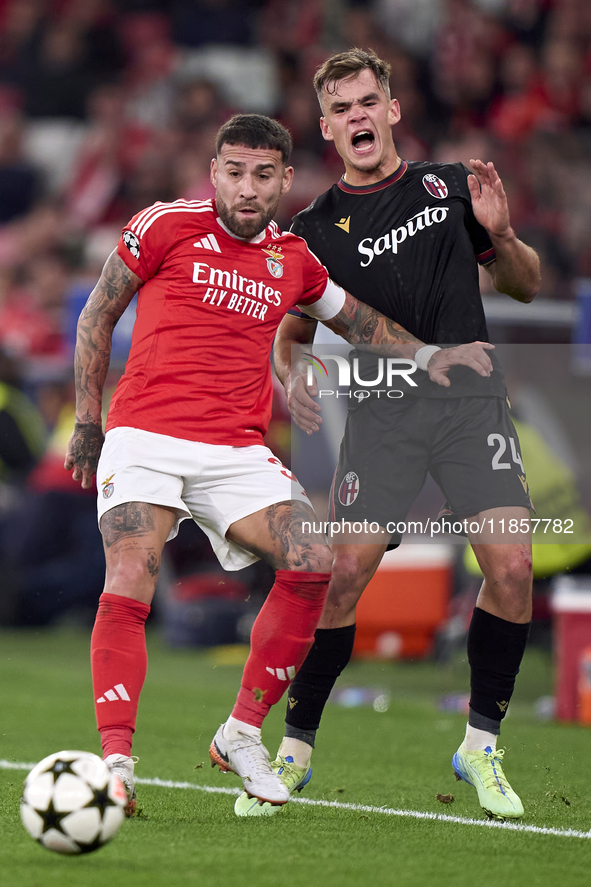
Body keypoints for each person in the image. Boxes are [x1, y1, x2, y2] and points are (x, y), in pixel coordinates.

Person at [64, 113, 492, 816]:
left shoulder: (292, 258)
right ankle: (116, 759)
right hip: (144, 433)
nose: (247, 186)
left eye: (263, 174)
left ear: (285, 180)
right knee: (131, 568)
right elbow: (96, 313)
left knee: (314, 559)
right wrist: (88, 420)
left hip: (235, 447)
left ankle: (240, 731)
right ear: (214, 172)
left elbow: (356, 320)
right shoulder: (164, 225)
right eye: (233, 170)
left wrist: (430, 356)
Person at [237, 50, 542, 821]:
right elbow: (291, 329)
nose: (356, 118)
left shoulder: (448, 188)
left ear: (392, 109)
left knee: (510, 566)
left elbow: (524, 283)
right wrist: (290, 365)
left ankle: (480, 743)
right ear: (326, 128)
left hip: (472, 408)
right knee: (343, 577)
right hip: (383, 413)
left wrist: (501, 237)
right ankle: (296, 747)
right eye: (340, 110)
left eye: (366, 101)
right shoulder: (311, 229)